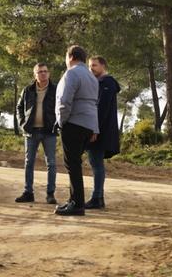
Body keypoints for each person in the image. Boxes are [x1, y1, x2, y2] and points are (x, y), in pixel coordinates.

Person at [54, 45, 99, 216]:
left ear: (71, 57)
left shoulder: (71, 73)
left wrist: (61, 122)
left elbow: (65, 100)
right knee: (75, 163)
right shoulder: (92, 77)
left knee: (72, 164)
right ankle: (75, 200)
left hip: (73, 122)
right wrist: (95, 128)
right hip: (88, 125)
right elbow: (95, 104)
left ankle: (77, 204)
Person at [14, 63, 58, 205]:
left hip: (49, 132)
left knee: (51, 163)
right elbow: (19, 107)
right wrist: (22, 123)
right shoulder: (27, 90)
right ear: (35, 75)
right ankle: (28, 193)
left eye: (45, 71)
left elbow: (62, 107)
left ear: (49, 74)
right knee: (29, 163)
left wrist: (58, 124)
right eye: (40, 72)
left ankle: (50, 194)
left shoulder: (56, 90)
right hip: (31, 132)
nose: (43, 74)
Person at [85, 55, 121, 209]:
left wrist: (94, 129)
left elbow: (102, 109)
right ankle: (97, 197)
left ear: (103, 66)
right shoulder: (99, 83)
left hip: (100, 131)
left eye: (94, 65)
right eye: (89, 66)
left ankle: (97, 198)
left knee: (96, 163)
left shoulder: (107, 83)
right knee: (95, 163)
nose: (91, 68)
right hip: (98, 129)